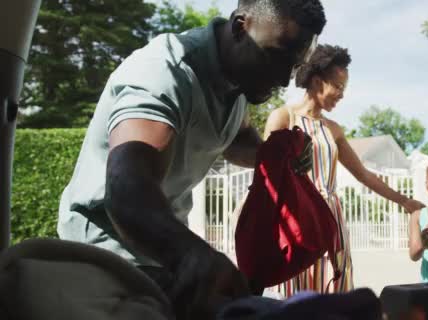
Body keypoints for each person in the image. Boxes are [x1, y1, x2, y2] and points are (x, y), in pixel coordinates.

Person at [56, 0, 326, 317]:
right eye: (277, 56)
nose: (283, 79)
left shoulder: (238, 83)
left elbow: (236, 139)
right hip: (106, 259)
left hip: (160, 260)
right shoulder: (164, 72)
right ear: (241, 27)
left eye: (294, 66)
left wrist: (277, 155)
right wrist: (192, 256)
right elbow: (127, 188)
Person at [263, 44, 425, 296]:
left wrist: (404, 201)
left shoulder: (333, 129)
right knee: (297, 296)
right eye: (338, 87)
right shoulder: (283, 118)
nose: (341, 95)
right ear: (317, 82)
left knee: (332, 293)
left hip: (331, 220)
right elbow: (267, 175)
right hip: (297, 219)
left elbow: (364, 174)